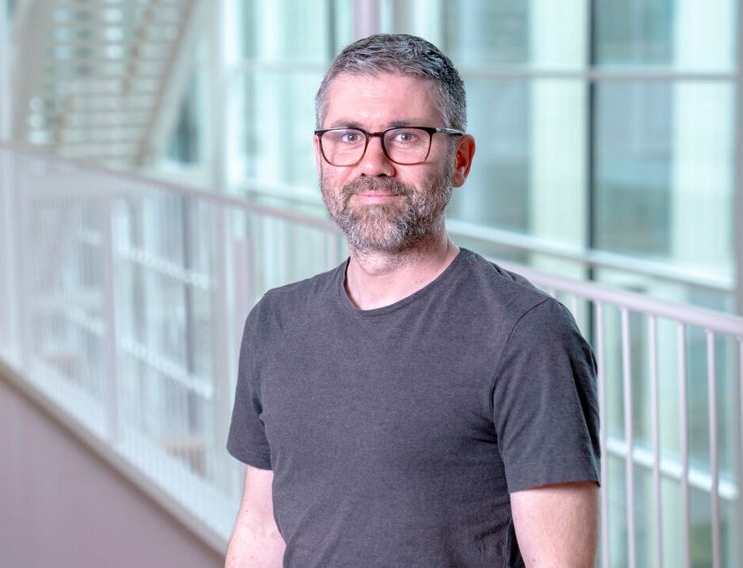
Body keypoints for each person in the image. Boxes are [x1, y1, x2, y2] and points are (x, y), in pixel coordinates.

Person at [225, 33, 600, 568]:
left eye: (405, 136)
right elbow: (260, 529)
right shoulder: (275, 322)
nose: (372, 163)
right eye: (348, 135)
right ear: (321, 154)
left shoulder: (527, 334)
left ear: (461, 159)